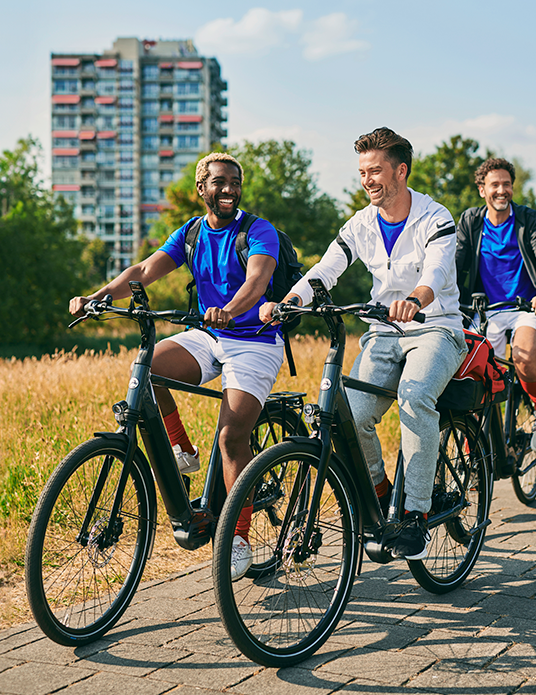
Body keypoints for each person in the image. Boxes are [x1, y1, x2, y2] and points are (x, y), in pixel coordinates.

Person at [70, 151, 284, 580]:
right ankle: (182, 450)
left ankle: (238, 538)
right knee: (148, 369)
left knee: (230, 438)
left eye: (234, 182)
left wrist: (231, 308)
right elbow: (145, 269)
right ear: (201, 189)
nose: (228, 190)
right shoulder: (191, 233)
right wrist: (100, 296)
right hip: (209, 334)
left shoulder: (258, 231)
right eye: (219, 182)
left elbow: (257, 281)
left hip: (253, 341)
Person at [260, 127, 466, 560]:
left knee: (414, 397)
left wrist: (414, 300)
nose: (367, 180)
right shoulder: (361, 222)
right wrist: (291, 300)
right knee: (349, 413)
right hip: (383, 330)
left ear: (401, 171)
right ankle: (379, 490)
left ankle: (415, 514)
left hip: (436, 328)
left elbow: (436, 274)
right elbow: (327, 267)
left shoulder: (436, 218)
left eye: (375, 171)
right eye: (362, 172)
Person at [456, 157, 536, 453]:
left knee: (524, 357)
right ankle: (474, 446)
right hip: (484, 312)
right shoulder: (471, 222)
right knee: (471, 374)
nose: (501, 190)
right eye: (494, 185)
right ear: (482, 190)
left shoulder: (529, 220)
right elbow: (453, 263)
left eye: (507, 184)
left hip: (526, 308)